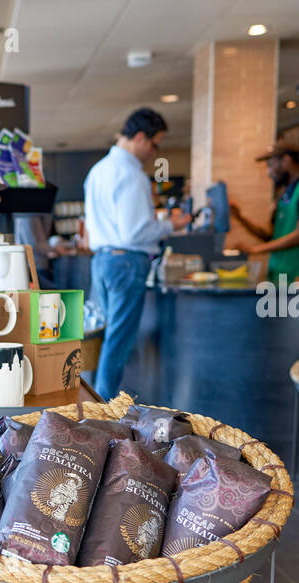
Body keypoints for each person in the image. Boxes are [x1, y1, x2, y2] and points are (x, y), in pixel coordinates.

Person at [84, 108, 190, 399]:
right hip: (126, 262)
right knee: (117, 342)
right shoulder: (131, 174)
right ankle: (104, 409)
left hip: (102, 260)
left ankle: (92, 402)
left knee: (101, 337)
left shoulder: (98, 171)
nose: (154, 153)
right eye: (155, 145)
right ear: (141, 137)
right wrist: (172, 224)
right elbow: (135, 232)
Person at [230, 144, 299, 283]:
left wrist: (255, 250)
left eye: (271, 165)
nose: (269, 172)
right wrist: (240, 218)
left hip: (298, 275)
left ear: (287, 160)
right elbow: (271, 237)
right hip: (277, 274)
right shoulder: (282, 195)